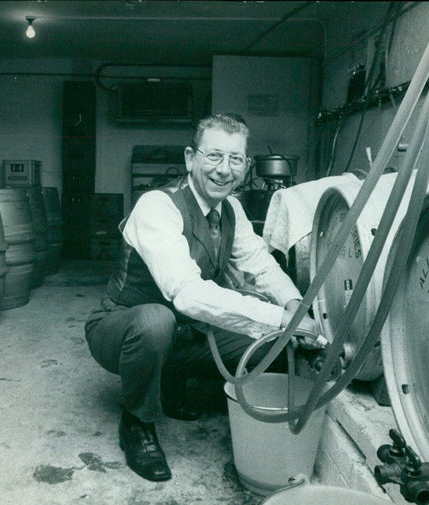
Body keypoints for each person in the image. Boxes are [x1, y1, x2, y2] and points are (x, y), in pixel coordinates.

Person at [84, 113, 322, 482]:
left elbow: (260, 264)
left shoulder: (232, 210)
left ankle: (171, 379)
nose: (224, 170)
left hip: (186, 331)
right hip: (123, 327)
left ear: (245, 166)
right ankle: (137, 421)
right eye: (214, 156)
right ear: (190, 159)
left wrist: (293, 306)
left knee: (269, 346)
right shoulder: (157, 206)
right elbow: (186, 294)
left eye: (236, 159)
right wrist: (279, 319)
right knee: (155, 323)